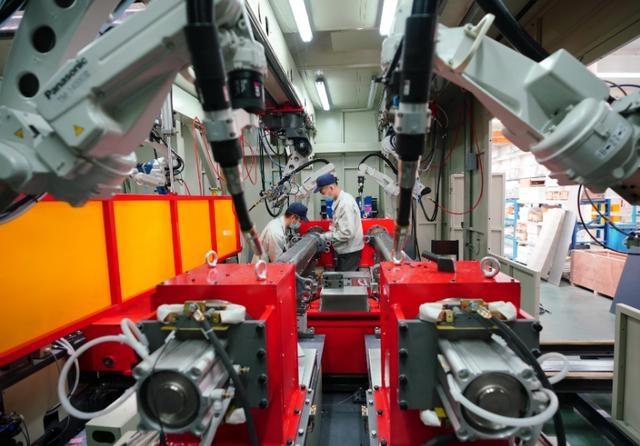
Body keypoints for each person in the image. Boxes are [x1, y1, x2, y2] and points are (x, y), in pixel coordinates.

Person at [314, 173, 364, 271]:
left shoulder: (345, 204)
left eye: (323, 192)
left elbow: (347, 233)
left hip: (349, 252)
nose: (323, 195)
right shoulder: (339, 201)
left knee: (346, 279)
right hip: (345, 250)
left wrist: (325, 237)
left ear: (331, 187)